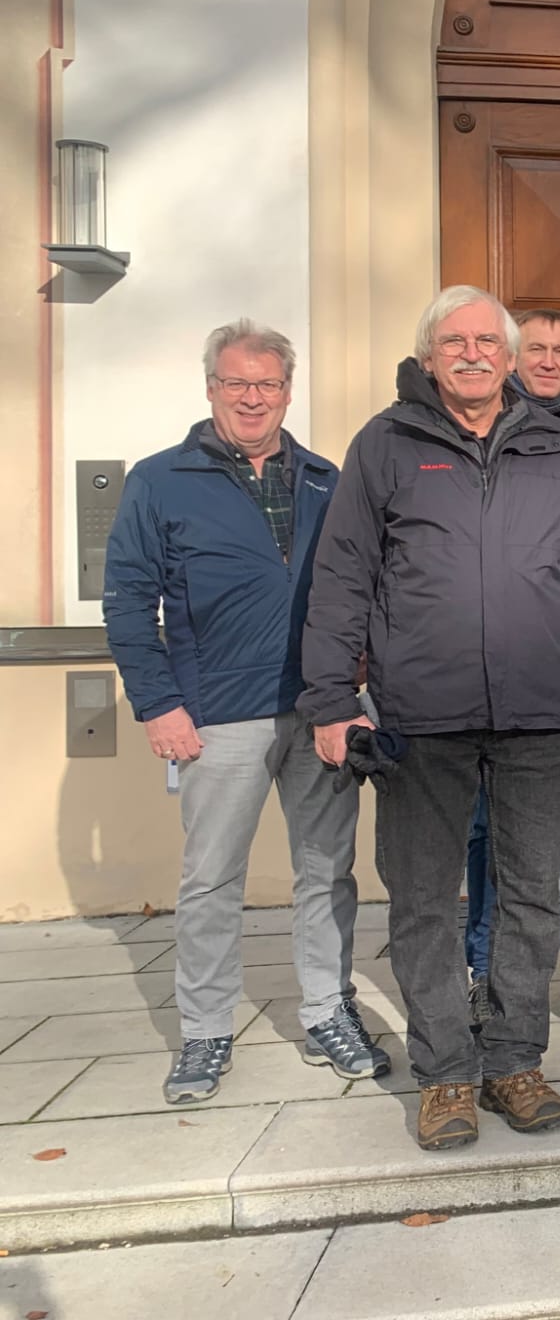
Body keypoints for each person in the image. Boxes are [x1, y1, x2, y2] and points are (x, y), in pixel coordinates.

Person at [300, 285, 560, 1152]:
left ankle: (516, 1061)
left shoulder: (558, 443)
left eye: (489, 341)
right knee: (422, 900)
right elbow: (341, 578)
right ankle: (444, 1073)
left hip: (540, 711)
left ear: (512, 358)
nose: (474, 354)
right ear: (429, 355)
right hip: (423, 716)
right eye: (456, 342)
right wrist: (331, 699)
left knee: (530, 894)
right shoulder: (387, 443)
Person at [104, 320, 385, 1106]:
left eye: (267, 383)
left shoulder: (328, 479)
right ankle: (203, 1030)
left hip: (319, 710)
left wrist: (357, 693)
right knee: (211, 879)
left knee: (327, 872)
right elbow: (128, 602)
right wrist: (159, 705)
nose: (253, 397)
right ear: (211, 390)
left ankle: (329, 1012)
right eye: (237, 383)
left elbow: (362, 593)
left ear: (288, 391)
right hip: (214, 717)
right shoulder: (161, 480)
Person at [464, 308, 560, 1021]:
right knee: (493, 830)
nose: (548, 361)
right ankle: (483, 966)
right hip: (500, 671)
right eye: (536, 349)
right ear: (513, 359)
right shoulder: (485, 431)